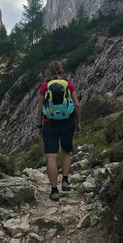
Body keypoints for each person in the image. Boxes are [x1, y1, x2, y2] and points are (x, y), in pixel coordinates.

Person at [37, 60, 81, 201]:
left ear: (49, 72)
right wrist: (78, 122)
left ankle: (54, 190)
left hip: (50, 123)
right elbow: (77, 104)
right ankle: (65, 181)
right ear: (62, 70)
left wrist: (39, 124)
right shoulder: (69, 84)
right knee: (67, 151)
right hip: (67, 122)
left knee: (51, 156)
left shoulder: (45, 86)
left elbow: (39, 108)